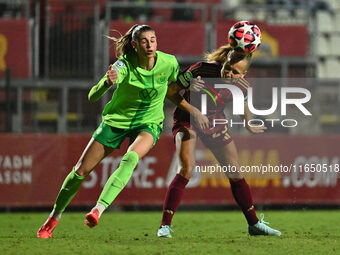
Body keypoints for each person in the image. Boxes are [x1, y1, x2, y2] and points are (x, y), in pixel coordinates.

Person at [37, 24, 179, 238]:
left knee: (131, 158)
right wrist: (106, 82)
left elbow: (176, 87)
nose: (150, 45)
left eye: (153, 39)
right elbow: (92, 96)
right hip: (116, 121)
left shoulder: (169, 62)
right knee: (80, 171)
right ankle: (54, 216)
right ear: (134, 45)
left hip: (149, 123)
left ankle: (98, 210)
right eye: (144, 41)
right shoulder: (123, 65)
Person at [157, 44, 282, 238]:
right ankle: (165, 226)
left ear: (243, 74)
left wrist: (248, 124)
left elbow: (243, 103)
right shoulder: (200, 69)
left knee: (235, 172)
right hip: (186, 118)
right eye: (227, 68)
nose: (229, 74)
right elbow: (170, 91)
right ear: (224, 62)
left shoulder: (243, 86)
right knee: (186, 169)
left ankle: (254, 224)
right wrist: (195, 112)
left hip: (215, 120)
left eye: (235, 72)